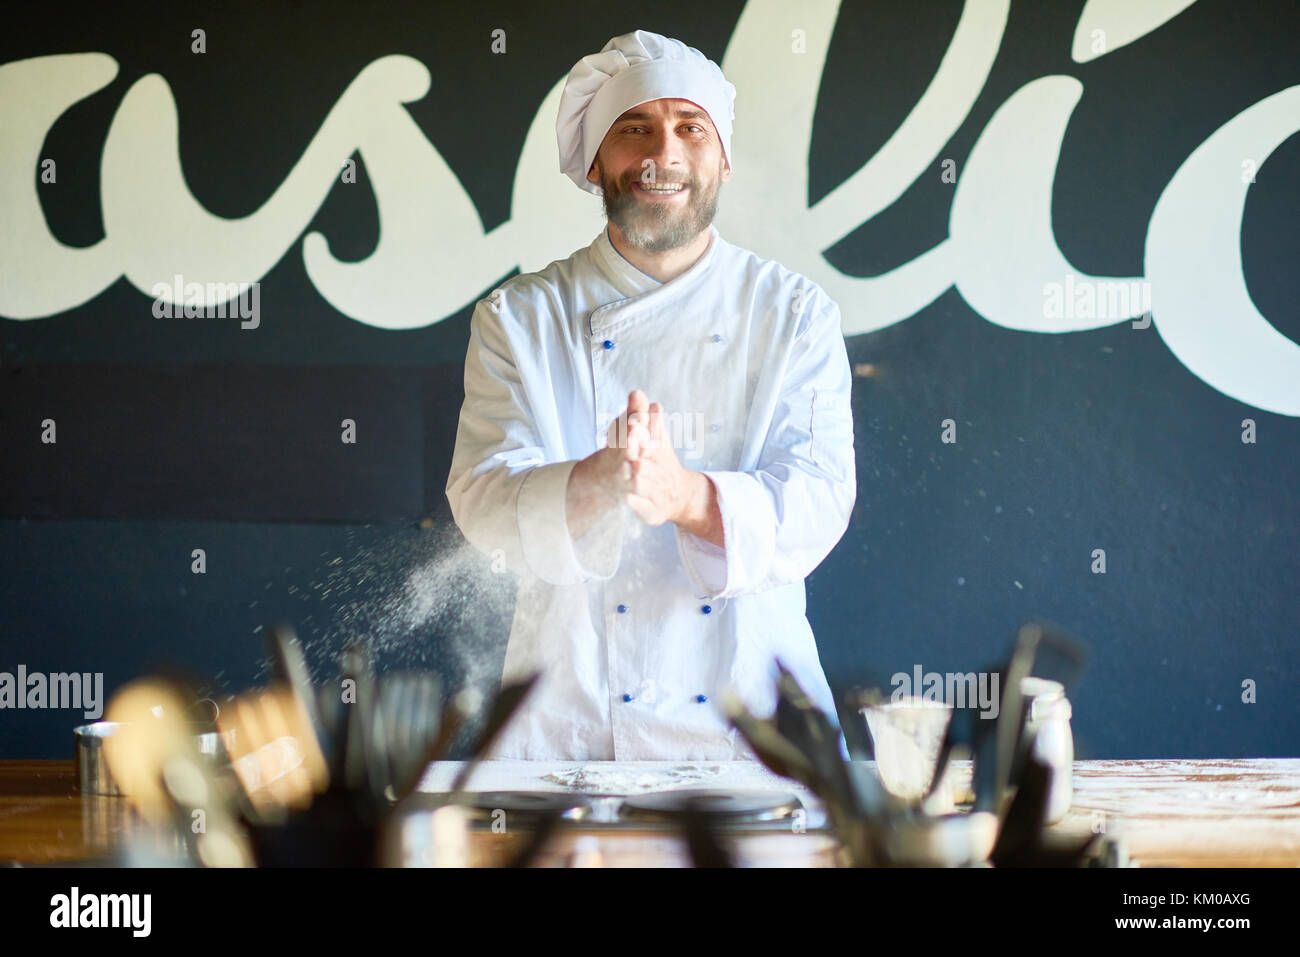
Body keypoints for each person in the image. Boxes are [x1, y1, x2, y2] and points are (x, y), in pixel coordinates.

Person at [445, 29, 856, 760]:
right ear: (596, 159)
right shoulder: (518, 319)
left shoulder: (795, 315)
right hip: (568, 736)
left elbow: (820, 501)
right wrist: (590, 485)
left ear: (723, 158)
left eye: (689, 127)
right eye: (634, 128)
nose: (663, 152)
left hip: (754, 742)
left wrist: (685, 497)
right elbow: (480, 499)